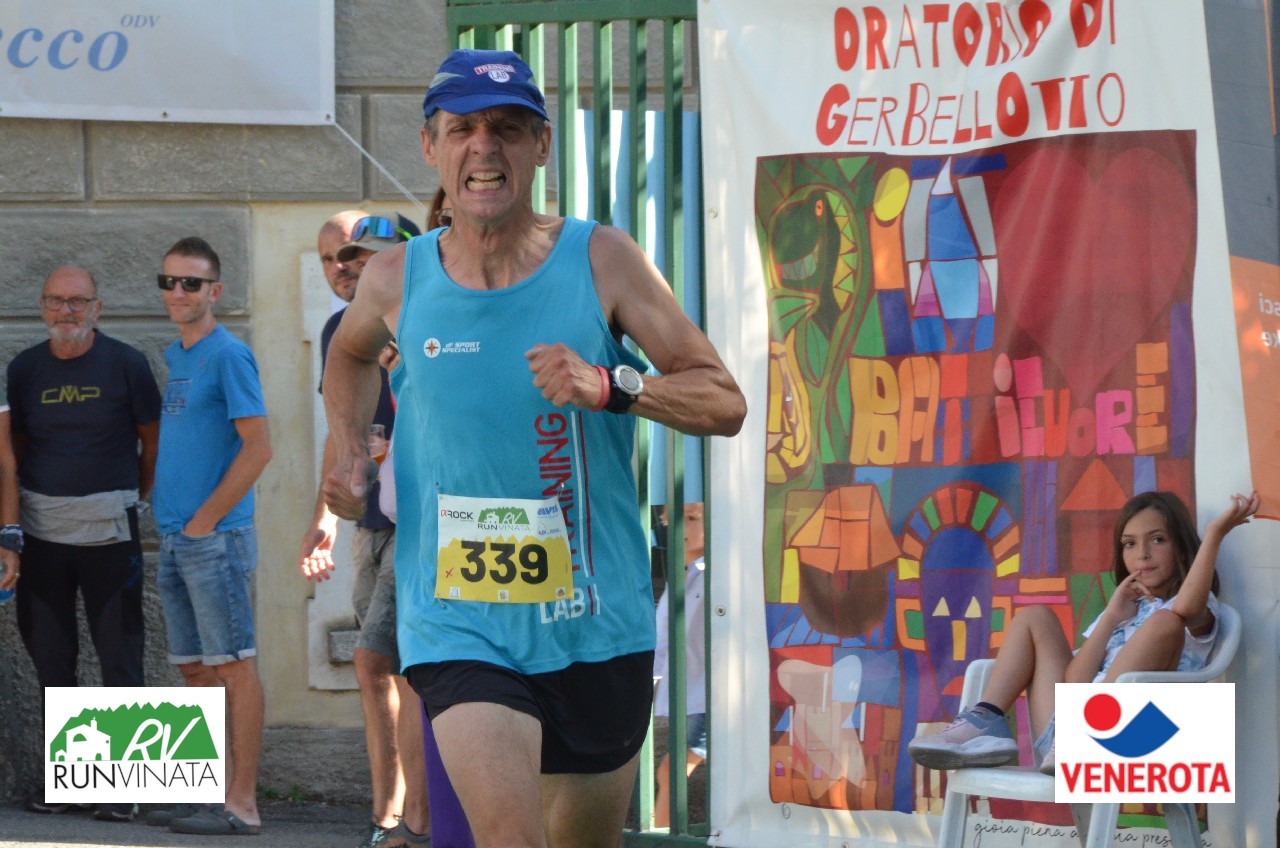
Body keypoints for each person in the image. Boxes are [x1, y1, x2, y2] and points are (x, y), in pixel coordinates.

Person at [322, 48, 746, 848]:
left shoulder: (603, 259)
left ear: (541, 145)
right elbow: (348, 355)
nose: (484, 147)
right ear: (431, 146)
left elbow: (724, 401)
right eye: (463, 129)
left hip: (597, 624)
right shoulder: (395, 278)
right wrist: (346, 449)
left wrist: (614, 385)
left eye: (508, 129)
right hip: (458, 621)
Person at [907, 490, 1260, 776]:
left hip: (1135, 739)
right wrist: (1111, 618)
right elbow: (1073, 682)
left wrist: (1214, 535)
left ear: (1183, 547)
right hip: (1064, 738)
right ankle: (985, 723)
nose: (1142, 554)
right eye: (1129, 544)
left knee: (1165, 622)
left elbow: (1187, 609)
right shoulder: (1127, 610)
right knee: (1034, 616)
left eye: (1157, 540)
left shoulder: (1194, 611)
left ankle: (1087, 733)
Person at [5, 266, 161, 822]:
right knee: (52, 658)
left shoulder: (127, 364)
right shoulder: (24, 369)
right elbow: (14, 449)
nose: (65, 311)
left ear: (98, 307)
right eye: (55, 300)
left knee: (120, 655)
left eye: (77, 301)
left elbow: (152, 442)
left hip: (109, 533)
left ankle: (124, 788)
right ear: (42, 307)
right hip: (41, 534)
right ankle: (69, 781)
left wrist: (136, 498)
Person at [299, 210, 430, 848]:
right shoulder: (339, 329)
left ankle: (409, 823)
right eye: (334, 259)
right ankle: (388, 818)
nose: (344, 269)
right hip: (371, 521)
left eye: (359, 256)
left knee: (384, 658)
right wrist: (324, 517)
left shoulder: (427, 313)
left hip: (425, 522)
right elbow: (344, 432)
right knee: (378, 669)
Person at [151, 237, 272, 836]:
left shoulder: (229, 355)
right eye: (169, 282)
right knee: (196, 671)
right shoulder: (177, 355)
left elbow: (259, 447)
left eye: (191, 283)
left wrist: (205, 521)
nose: (178, 292)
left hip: (214, 540)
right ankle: (208, 794)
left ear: (215, 291)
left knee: (234, 667)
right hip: (177, 540)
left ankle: (242, 805)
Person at [652, 501, 708, 829]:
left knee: (671, 772)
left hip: (712, 698)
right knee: (671, 772)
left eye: (691, 518)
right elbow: (664, 644)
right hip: (688, 696)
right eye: (671, 520)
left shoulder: (714, 574)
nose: (678, 527)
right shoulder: (680, 577)